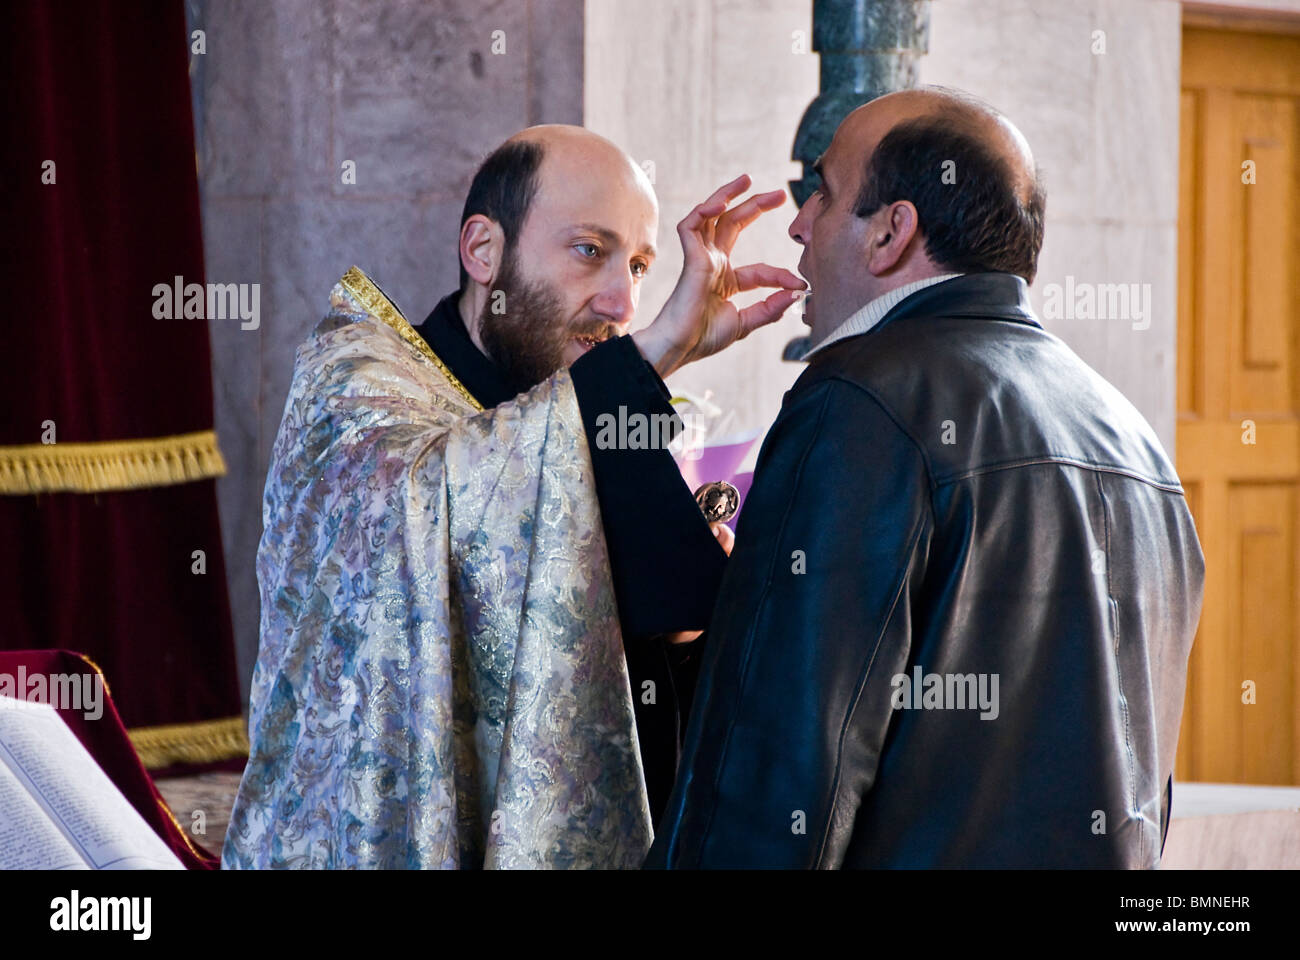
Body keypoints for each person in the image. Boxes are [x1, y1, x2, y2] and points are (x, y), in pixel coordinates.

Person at [648, 87, 1205, 869]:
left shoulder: (860, 400)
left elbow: (780, 774)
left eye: (824, 193)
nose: (798, 223)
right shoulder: (1133, 437)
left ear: (890, 233)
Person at [222, 125, 804, 869]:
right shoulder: (361, 380)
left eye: (640, 263)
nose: (623, 300)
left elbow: (644, 681)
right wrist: (652, 352)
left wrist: (688, 636)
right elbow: (431, 499)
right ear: (483, 250)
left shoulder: (579, 413)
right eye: (590, 251)